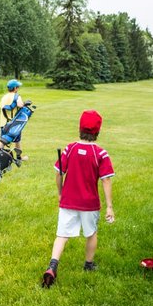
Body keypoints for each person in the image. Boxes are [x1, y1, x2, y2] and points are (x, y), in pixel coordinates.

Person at [42, 110, 115, 288]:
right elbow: (106, 180)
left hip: (68, 201)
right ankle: (88, 265)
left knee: (62, 235)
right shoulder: (101, 154)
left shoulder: (70, 148)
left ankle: (52, 266)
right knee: (91, 234)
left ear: (79, 128)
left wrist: (60, 192)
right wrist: (109, 206)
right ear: (98, 131)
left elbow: (59, 174)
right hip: (89, 204)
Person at [0, 79, 28, 160]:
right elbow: (20, 105)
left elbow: (2, 108)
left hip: (3, 123)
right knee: (4, 141)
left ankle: (19, 156)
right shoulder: (17, 96)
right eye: (17, 87)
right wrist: (25, 103)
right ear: (15, 88)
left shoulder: (4, 97)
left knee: (16, 140)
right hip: (13, 123)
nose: (18, 88)